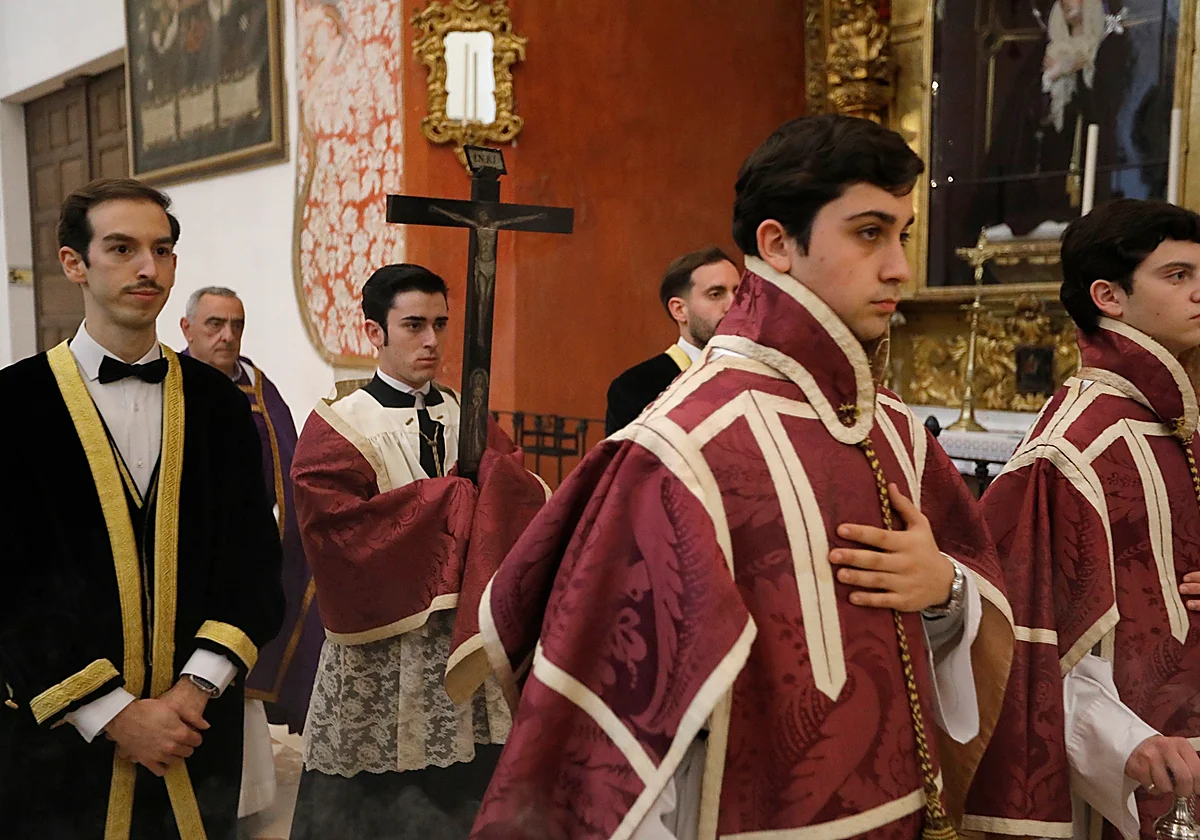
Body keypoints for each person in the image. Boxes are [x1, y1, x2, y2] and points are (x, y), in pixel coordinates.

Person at [472, 115, 1020, 840]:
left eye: (904, 234)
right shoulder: (678, 450)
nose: (898, 268)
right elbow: (616, 769)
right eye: (868, 233)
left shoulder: (887, 427)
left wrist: (944, 589)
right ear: (776, 245)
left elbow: (952, 631)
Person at [0, 178, 284, 840]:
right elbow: (10, 584)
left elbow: (252, 566)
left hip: (194, 736)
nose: (147, 268)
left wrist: (191, 692)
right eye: (122, 248)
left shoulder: (221, 407)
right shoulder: (13, 406)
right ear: (75, 262)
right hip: (58, 744)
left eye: (162, 250)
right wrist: (118, 714)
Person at [288, 263, 549, 840]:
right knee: (371, 805)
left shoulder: (469, 418)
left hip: (463, 643)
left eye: (440, 324)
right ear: (374, 332)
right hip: (385, 646)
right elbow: (337, 535)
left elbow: (515, 509)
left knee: (464, 792)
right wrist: (453, 499)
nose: (431, 341)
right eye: (413, 325)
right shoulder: (340, 425)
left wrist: (494, 490)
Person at [970, 199, 1200, 840]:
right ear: (1109, 296)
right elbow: (1014, 640)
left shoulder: (1183, 423)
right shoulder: (1069, 451)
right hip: (1132, 777)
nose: (1199, 293)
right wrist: (1122, 741)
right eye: (1177, 276)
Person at [180, 286, 323, 818]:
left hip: (238, 552)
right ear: (186, 328)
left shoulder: (257, 386)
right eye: (215, 324)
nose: (227, 336)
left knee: (234, 661)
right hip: (181, 553)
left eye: (236, 325)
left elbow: (287, 468)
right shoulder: (171, 382)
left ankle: (241, 799)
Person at [605, 246, 740, 435]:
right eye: (716, 294)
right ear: (679, 310)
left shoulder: (764, 378)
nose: (733, 305)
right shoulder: (634, 389)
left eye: (739, 293)